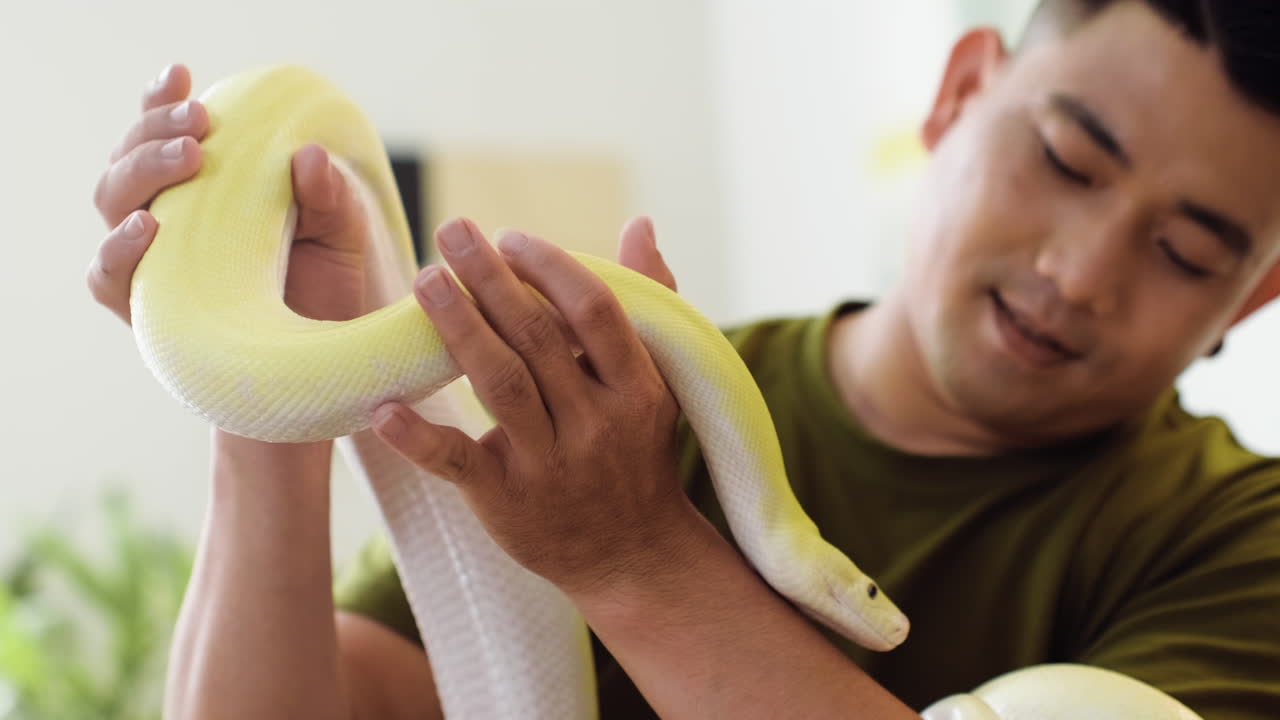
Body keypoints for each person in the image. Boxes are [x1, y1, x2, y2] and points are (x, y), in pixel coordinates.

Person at [88, 0, 1280, 717]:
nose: (1078, 271)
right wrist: (266, 377)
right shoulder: (601, 399)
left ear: (1258, 290)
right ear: (961, 94)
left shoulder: (1238, 539)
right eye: (1066, 162)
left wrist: (636, 553)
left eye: (1180, 250)